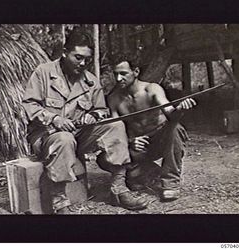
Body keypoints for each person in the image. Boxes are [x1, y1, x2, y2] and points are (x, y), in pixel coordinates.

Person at [22, 29, 148, 214]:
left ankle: (118, 188)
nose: (82, 64)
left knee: (115, 125)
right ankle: (60, 201)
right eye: (78, 57)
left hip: (79, 137)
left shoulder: (90, 81)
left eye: (86, 60)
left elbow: (102, 110)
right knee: (64, 138)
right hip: (46, 137)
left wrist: (94, 116)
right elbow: (29, 105)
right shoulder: (44, 73)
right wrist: (54, 119)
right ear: (65, 52)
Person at [108, 56, 197, 201]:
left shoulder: (152, 89)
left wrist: (180, 109)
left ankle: (170, 183)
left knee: (175, 128)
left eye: (123, 73)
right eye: (115, 74)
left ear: (136, 71)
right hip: (138, 148)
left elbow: (170, 113)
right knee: (103, 159)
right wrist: (130, 141)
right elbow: (114, 132)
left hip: (161, 141)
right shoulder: (114, 99)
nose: (118, 79)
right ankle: (149, 171)